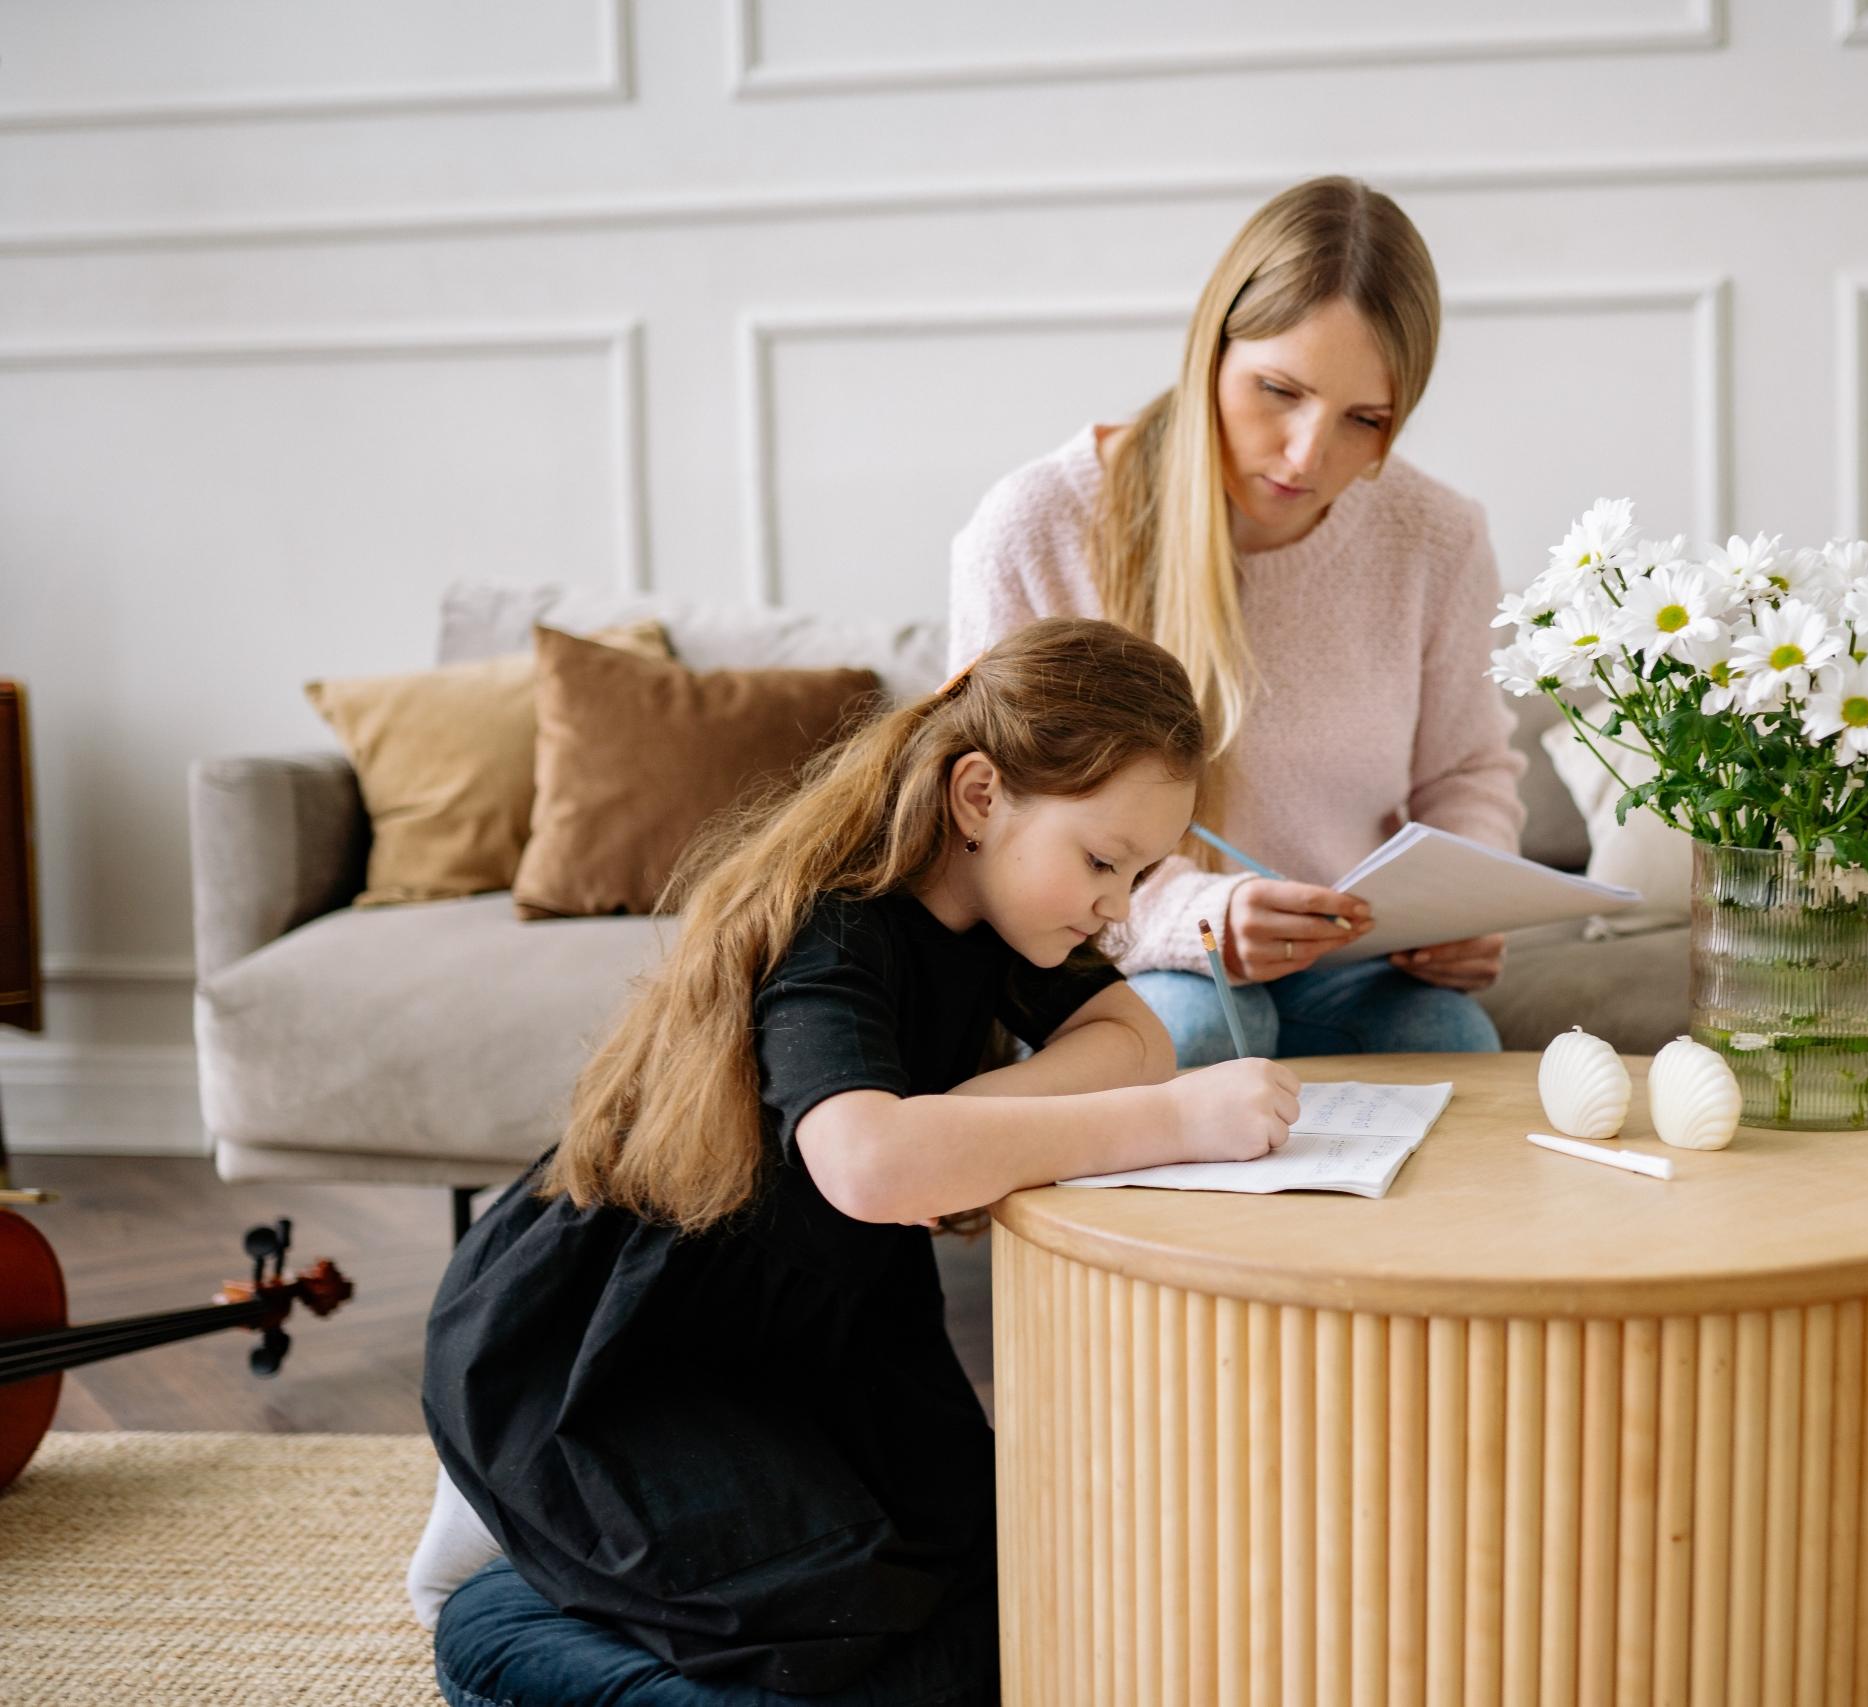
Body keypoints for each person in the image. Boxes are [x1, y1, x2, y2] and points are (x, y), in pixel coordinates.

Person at [412, 618, 1302, 1705]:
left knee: (1017, 1598)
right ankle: (495, 1617)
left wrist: (963, 1118)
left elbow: (1135, 1040)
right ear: (979, 797)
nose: (1119, 904)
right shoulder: (837, 923)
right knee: (844, 1651)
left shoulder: (1003, 911)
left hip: (812, 1331)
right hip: (632, 1351)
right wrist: (1171, 1123)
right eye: (1104, 862)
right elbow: (872, 1166)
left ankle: (585, 1578)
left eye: (1140, 872)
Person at [947, 175, 1528, 1067]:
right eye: (1278, 391)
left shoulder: (1437, 537)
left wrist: (1462, 905)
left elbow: (1467, 771)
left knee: (1450, 1040)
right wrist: (1199, 920)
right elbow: (991, 836)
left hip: (1348, 955)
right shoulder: (1038, 525)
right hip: (1109, 954)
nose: (1307, 454)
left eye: (1364, 419)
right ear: (1209, 351)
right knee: (1207, 1027)